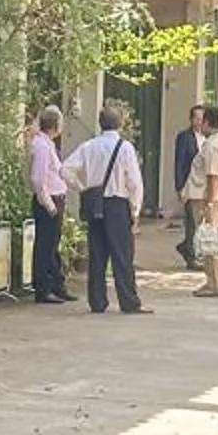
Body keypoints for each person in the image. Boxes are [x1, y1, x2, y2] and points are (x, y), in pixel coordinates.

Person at [67, 104, 145, 314]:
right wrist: (135, 209)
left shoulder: (89, 146)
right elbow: (134, 182)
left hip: (95, 201)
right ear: (120, 124)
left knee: (97, 253)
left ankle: (97, 301)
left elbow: (65, 169)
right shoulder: (125, 147)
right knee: (122, 254)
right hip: (117, 203)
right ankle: (128, 300)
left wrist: (82, 187)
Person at [185, 105, 218, 298]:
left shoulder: (213, 145)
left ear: (207, 122)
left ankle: (214, 282)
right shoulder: (217, 142)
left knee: (209, 240)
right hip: (210, 196)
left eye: (201, 120)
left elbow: (212, 176)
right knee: (209, 239)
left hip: (208, 197)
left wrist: (210, 203)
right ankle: (212, 281)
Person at [27, 105, 71, 303]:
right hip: (49, 201)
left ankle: (56, 284)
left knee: (52, 245)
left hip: (55, 198)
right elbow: (38, 179)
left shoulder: (48, 145)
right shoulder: (43, 147)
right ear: (55, 125)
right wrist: (49, 204)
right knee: (45, 246)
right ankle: (43, 288)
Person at [173, 115, 205, 267]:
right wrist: (179, 186)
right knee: (191, 221)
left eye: (202, 118)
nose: (200, 122)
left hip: (205, 185)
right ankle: (191, 257)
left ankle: (187, 246)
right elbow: (179, 162)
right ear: (191, 120)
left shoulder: (210, 138)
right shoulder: (184, 137)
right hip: (190, 184)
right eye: (197, 118)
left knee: (201, 221)